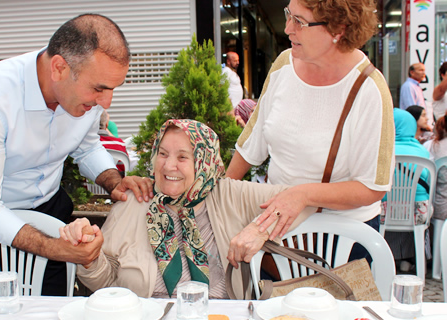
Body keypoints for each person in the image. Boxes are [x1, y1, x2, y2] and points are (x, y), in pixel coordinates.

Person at [0, 14, 153, 295]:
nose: (105, 103)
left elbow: (88, 146)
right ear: (58, 68)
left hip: (51, 211)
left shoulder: (83, 95)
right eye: (99, 89)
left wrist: (113, 182)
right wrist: (55, 248)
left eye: (112, 90)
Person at [62, 119, 316, 298]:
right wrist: (89, 256)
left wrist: (260, 228)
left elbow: (305, 201)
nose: (168, 166)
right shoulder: (135, 201)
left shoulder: (230, 194)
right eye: (162, 154)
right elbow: (104, 283)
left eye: (183, 157)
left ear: (204, 161)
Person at [225, 0, 394, 247]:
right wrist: (218, 197)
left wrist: (302, 195)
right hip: (279, 231)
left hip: (341, 242)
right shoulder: (284, 65)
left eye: (300, 21)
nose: (287, 28)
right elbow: (252, 143)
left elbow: (373, 187)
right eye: (288, 15)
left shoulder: (369, 89)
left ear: (339, 29)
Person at [382, 109, 431, 272]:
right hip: (416, 213)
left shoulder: (382, 151)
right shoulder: (423, 152)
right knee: (422, 204)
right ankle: (413, 258)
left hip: (385, 212)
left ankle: (389, 259)